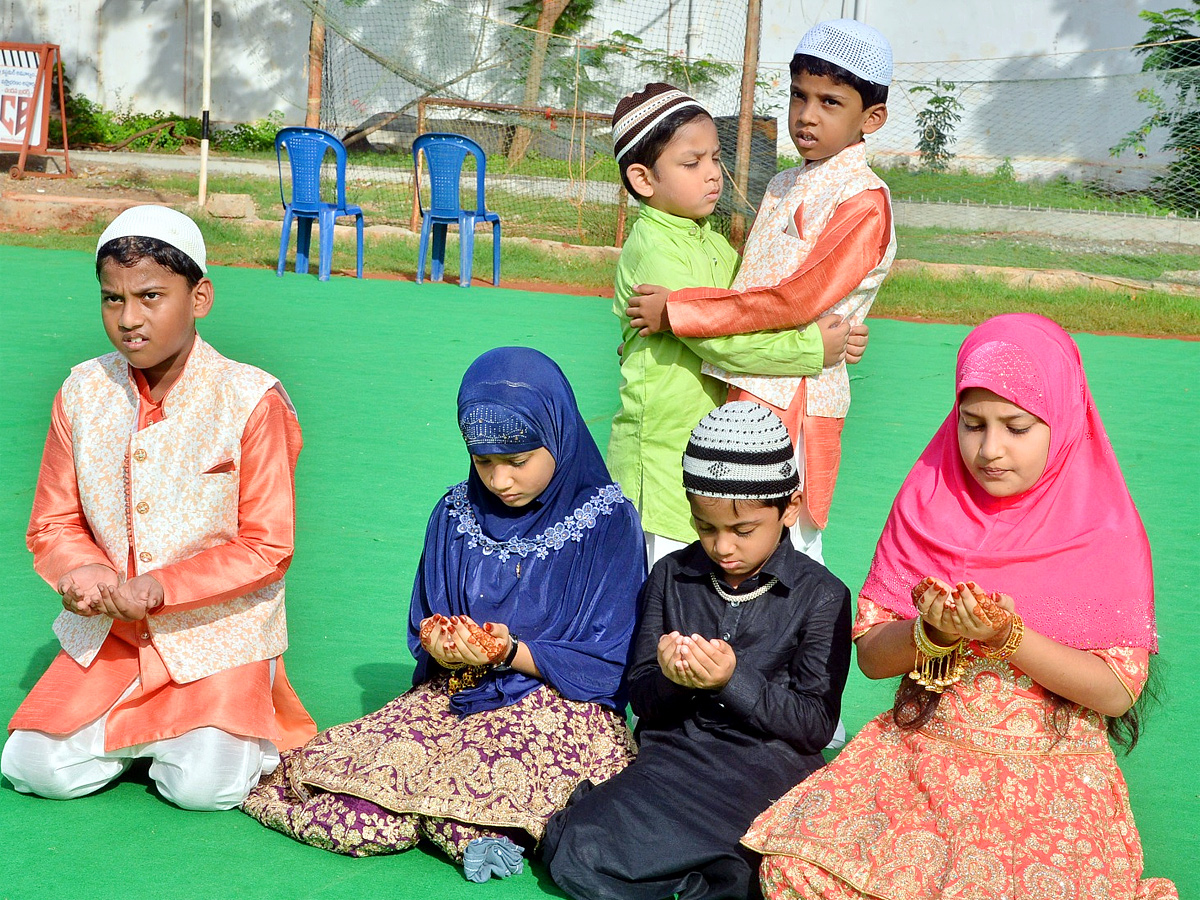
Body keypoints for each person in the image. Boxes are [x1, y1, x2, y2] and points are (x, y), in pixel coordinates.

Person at [742, 314, 1178, 900]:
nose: (989, 450)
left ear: (1064, 419)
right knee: (797, 870)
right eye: (972, 424)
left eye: (1016, 428)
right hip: (922, 748)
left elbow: (1116, 690)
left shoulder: (1104, 532)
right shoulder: (929, 499)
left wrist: (1010, 640)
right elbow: (872, 656)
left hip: (1047, 770)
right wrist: (931, 632)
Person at [242, 347, 646, 882]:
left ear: (561, 437)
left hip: (561, 704)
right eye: (484, 461)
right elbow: (427, 617)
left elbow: (612, 655)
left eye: (518, 460)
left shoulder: (608, 522)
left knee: (495, 782)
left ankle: (471, 828)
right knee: (362, 816)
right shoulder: (456, 511)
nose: (500, 479)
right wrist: (445, 642)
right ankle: (454, 826)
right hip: (454, 692)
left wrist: (513, 653)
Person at [2, 205, 316, 811]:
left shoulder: (251, 399)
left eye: (150, 296)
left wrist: (161, 587)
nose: (129, 319)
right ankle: (154, 737)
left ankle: (217, 726)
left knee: (204, 789)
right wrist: (83, 570)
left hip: (218, 636)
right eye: (112, 299)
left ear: (199, 297)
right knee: (31, 765)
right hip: (112, 634)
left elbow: (267, 544)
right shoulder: (82, 391)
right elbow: (54, 521)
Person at [543, 401, 852, 900]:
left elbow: (815, 724)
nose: (722, 546)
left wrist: (734, 681)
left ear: (789, 508)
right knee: (582, 846)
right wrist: (670, 677)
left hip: (768, 767)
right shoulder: (671, 575)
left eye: (742, 530)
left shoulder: (822, 595)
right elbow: (642, 699)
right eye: (706, 527)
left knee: (759, 873)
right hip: (675, 760)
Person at [626, 19, 897, 564]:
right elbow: (752, 284)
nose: (807, 115)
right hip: (748, 380)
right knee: (731, 539)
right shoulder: (786, 181)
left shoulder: (865, 201)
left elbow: (797, 300)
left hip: (794, 394)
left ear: (871, 118)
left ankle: (808, 648)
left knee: (782, 542)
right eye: (799, 96)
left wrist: (679, 311)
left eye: (830, 102)